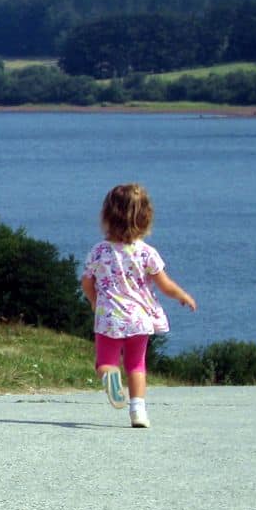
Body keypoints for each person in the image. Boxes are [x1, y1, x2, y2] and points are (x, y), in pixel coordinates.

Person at [80, 183, 197, 428]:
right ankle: (138, 412)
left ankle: (112, 382)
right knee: (136, 364)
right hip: (140, 319)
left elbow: (87, 282)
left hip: (109, 316)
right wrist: (182, 296)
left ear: (107, 216)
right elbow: (164, 285)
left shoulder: (99, 251)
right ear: (145, 219)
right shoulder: (146, 253)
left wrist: (94, 302)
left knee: (105, 364)